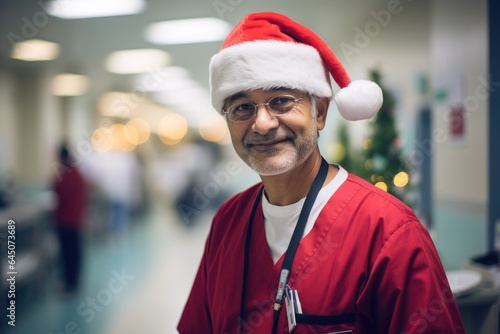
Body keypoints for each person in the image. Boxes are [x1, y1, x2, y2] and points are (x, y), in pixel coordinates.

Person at [178, 12, 465, 334]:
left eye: (282, 101)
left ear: (320, 113)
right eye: (242, 107)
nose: (262, 123)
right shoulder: (227, 221)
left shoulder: (388, 229)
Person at [52, 143, 87, 294]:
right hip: (76, 219)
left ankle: (69, 282)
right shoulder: (78, 173)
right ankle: (74, 280)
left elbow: (60, 193)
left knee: (67, 253)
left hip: (66, 220)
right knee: (75, 252)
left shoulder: (65, 175)